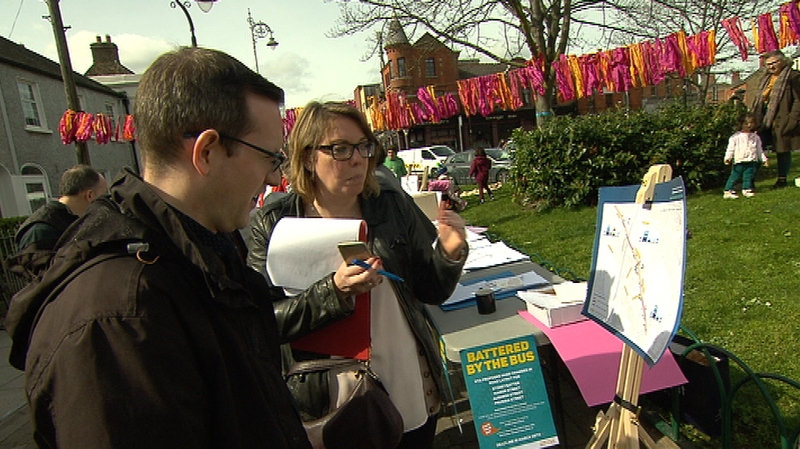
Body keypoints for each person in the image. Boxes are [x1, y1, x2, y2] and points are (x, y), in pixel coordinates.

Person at [4, 47, 312, 448]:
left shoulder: (202, 254)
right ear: (207, 151)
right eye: (270, 156)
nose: (275, 178)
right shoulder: (118, 314)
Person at [247, 101, 468, 449]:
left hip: (407, 381)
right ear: (307, 157)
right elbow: (260, 323)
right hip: (332, 402)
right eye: (340, 149)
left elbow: (429, 289)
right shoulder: (274, 223)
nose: (357, 159)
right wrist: (333, 291)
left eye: (364, 146)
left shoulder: (390, 204)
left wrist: (450, 253)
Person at [8, 165, 107, 280]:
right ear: (89, 195)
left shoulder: (72, 219)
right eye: (104, 194)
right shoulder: (40, 230)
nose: (107, 202)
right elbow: (42, 281)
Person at [748, 50, 800, 188]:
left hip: (782, 117)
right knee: (757, 147)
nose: (771, 67)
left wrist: (792, 119)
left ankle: (782, 179)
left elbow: (798, 100)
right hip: (764, 118)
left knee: (783, 148)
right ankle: (749, 180)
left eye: (774, 63)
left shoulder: (793, 77)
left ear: (783, 61)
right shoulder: (765, 78)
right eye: (768, 64)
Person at [723, 112, 768, 199]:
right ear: (741, 124)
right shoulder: (736, 137)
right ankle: (728, 190)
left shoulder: (755, 137)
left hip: (751, 160)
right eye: (746, 123)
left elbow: (759, 149)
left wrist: (764, 159)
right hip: (740, 160)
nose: (749, 125)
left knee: (748, 175)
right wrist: (728, 158)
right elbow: (730, 148)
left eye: (751, 123)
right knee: (735, 176)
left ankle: (746, 189)